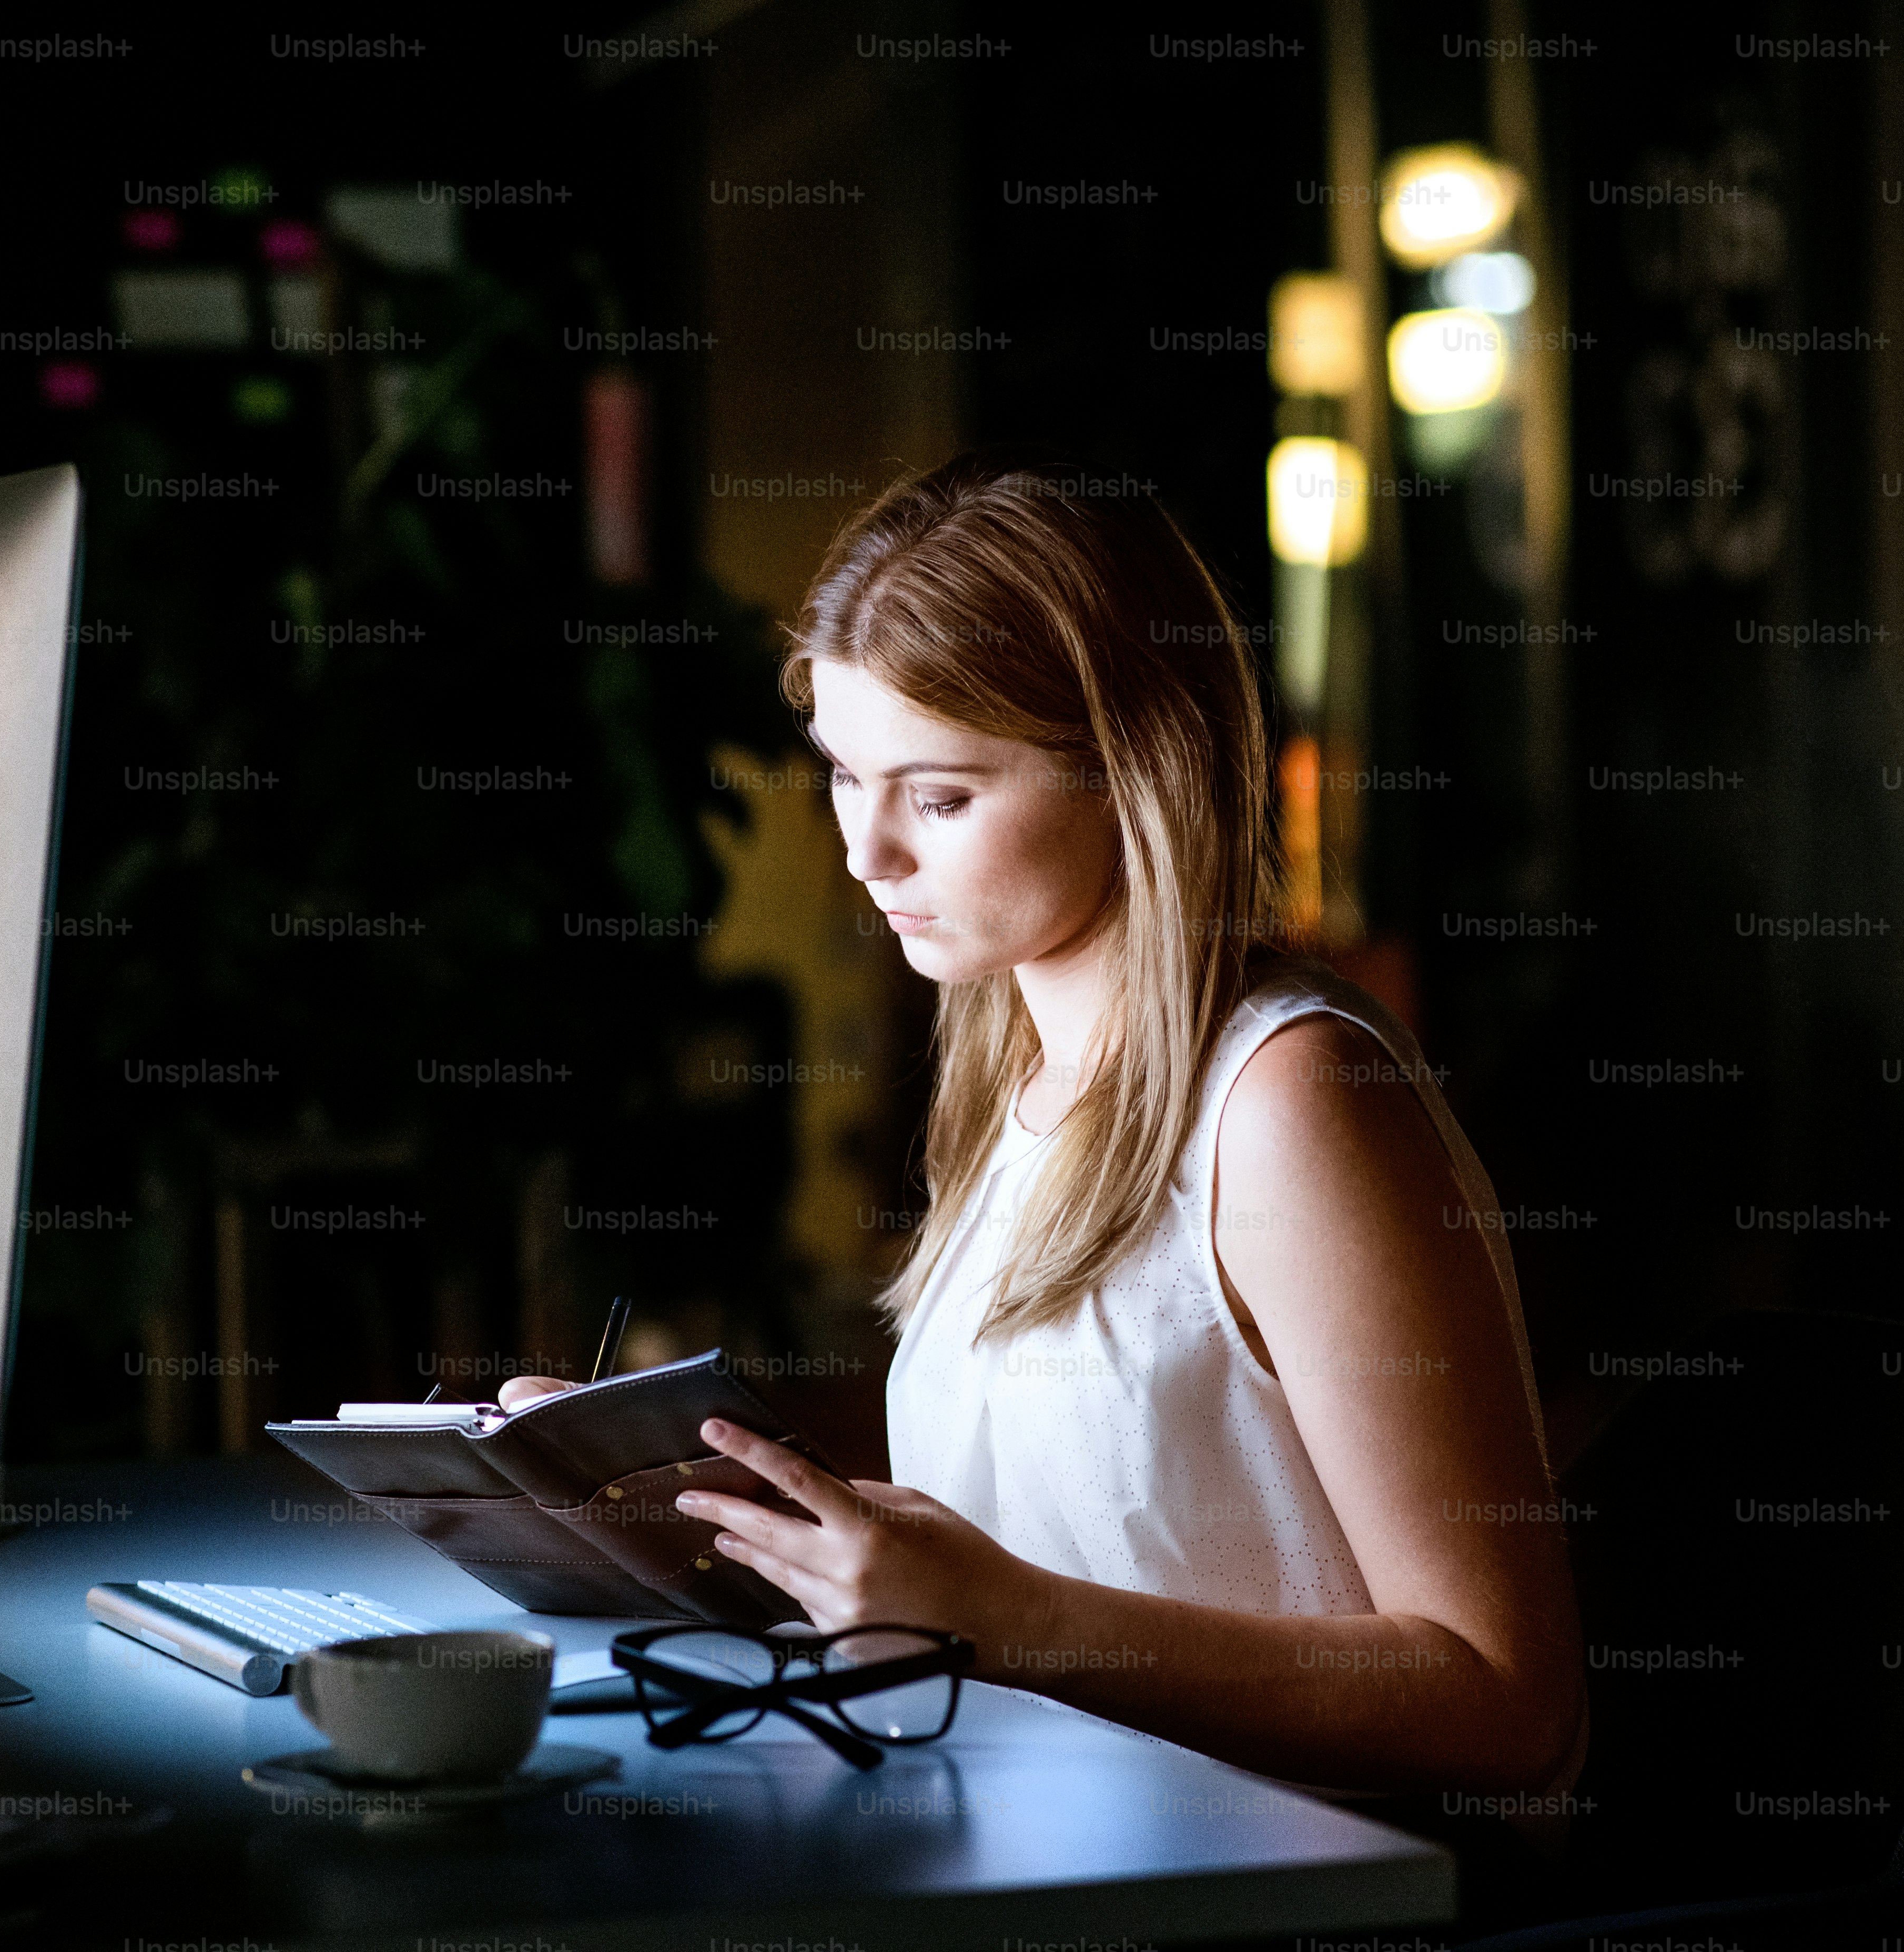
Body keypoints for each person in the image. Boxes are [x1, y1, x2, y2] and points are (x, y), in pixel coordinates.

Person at [504, 454, 1584, 1797]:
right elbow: (1050, 1550)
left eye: (941, 797)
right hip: (1048, 1845)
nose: (866, 854)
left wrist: (1006, 1621)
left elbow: (1510, 1700)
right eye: (846, 775)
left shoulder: (1295, 1104)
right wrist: (718, 1511)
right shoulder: (1020, 1077)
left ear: (1135, 770)